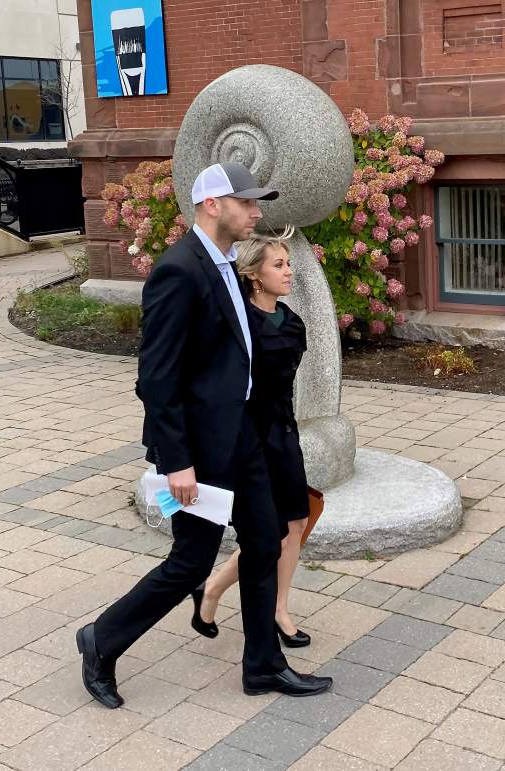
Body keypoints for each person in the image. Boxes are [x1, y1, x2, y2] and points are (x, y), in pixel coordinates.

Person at [75, 161, 332, 708]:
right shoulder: (180, 270)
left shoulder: (224, 267)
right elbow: (157, 376)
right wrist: (177, 461)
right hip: (201, 451)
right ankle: (101, 640)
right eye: (248, 202)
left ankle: (263, 665)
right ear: (213, 204)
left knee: (264, 544)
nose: (257, 212)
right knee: (190, 562)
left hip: (242, 437)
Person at [190, 227, 313, 649]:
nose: (289, 271)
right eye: (279, 265)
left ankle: (278, 607)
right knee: (268, 531)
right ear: (255, 275)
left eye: (289, 263)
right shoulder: (241, 324)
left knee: (296, 522)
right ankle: (212, 590)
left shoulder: (292, 321)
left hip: (284, 433)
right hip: (251, 437)